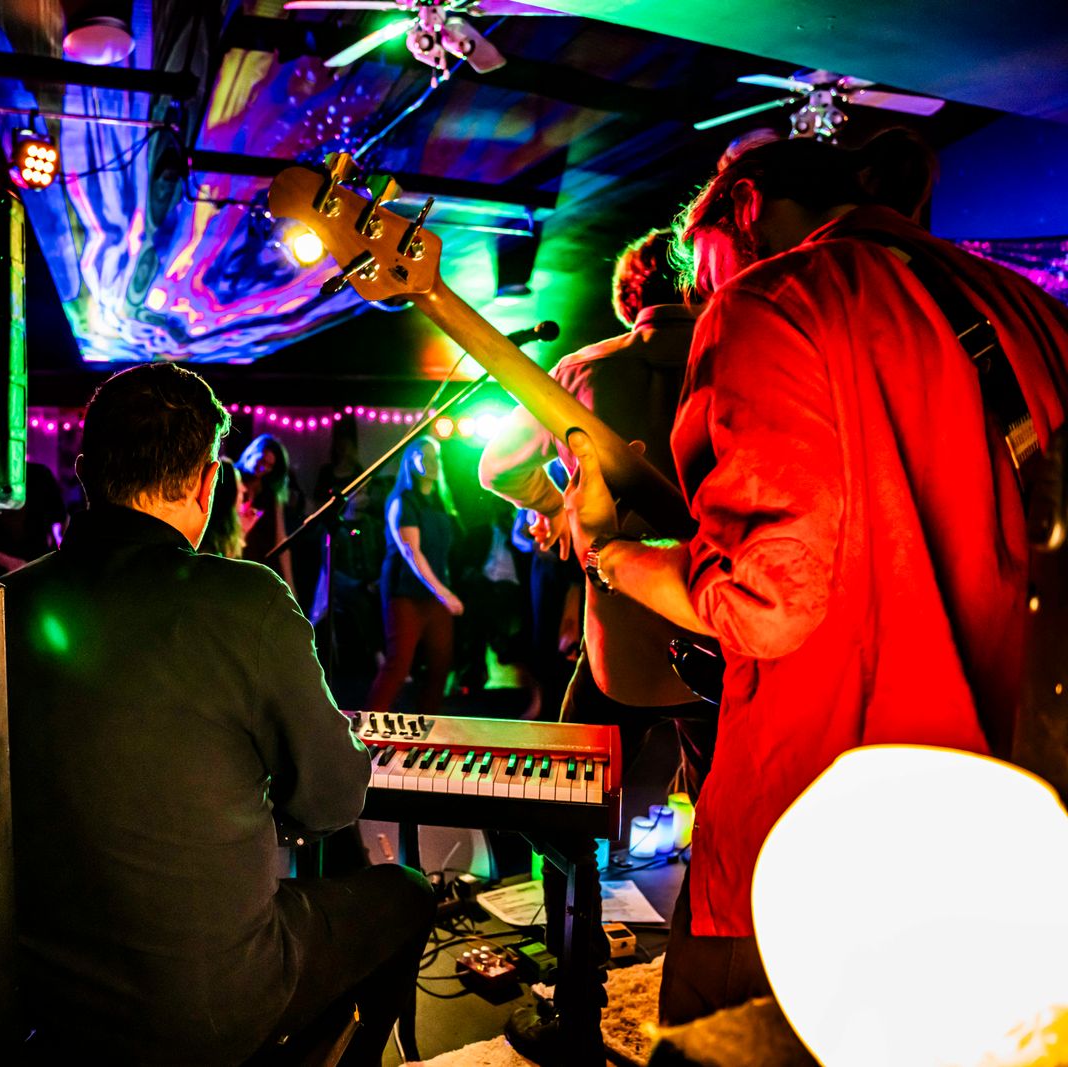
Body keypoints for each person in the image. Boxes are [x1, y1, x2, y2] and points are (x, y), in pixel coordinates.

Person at [561, 130, 1068, 1024]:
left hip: (829, 815)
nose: (702, 294)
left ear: (747, 206)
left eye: (703, 267)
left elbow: (764, 601)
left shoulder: (774, 298)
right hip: (1022, 810)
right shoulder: (1030, 305)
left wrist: (607, 548)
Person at [2, 364, 434, 1064]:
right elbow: (332, 800)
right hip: (205, 1007)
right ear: (209, 482)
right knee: (406, 893)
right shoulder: (247, 598)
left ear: (82, 469)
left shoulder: (7, 602)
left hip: (48, 1002)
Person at [480, 229, 714, 782]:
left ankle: (576, 845)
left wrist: (555, 509)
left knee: (570, 794)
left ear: (629, 299)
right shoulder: (740, 358)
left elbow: (497, 466)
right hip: (716, 627)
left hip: (618, 637)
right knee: (720, 810)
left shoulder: (579, 370)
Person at [365, 437, 462, 715]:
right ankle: (367, 727)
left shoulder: (441, 501)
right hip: (405, 592)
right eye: (423, 455)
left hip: (434, 591)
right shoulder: (402, 501)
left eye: (435, 457)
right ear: (410, 460)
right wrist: (444, 592)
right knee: (399, 665)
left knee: (441, 664)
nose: (431, 462)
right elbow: (412, 553)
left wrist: (443, 589)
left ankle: (427, 724)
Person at [239, 432, 303, 593]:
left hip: (261, 567)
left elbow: (280, 539)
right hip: (236, 561)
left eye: (269, 466)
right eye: (262, 460)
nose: (263, 468)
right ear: (252, 452)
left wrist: (290, 587)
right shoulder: (232, 481)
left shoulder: (270, 495)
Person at [198, 456, 260, 558]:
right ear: (228, 494)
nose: (244, 489)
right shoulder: (209, 542)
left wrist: (242, 531)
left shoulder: (217, 535)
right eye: (238, 483)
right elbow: (225, 563)